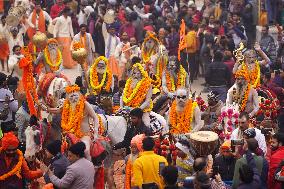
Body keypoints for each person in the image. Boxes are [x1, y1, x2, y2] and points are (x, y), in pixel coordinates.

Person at [46, 85, 98, 160]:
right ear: (68, 98)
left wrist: (95, 132)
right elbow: (57, 110)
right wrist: (44, 107)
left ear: (79, 95)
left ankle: (89, 166)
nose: (73, 99)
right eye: (71, 97)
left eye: (75, 96)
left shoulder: (85, 104)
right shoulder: (67, 104)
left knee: (86, 150)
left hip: (84, 135)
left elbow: (95, 117)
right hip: (70, 134)